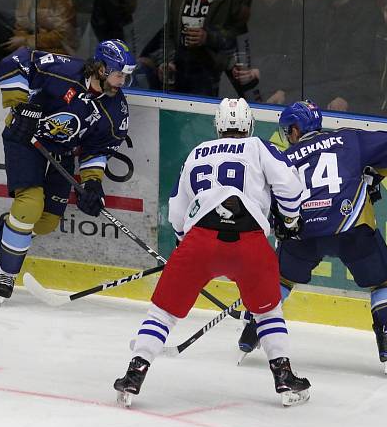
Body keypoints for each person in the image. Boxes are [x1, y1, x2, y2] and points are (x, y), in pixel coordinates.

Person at [114, 98, 311, 408]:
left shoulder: (196, 153)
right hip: (250, 243)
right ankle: (284, 377)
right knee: (267, 312)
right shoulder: (258, 147)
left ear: (218, 125)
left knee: (162, 313)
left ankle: (134, 374)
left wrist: (183, 245)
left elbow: (177, 212)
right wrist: (290, 219)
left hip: (200, 240)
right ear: (249, 125)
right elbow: (290, 187)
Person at [237, 100, 387, 376]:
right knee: (384, 282)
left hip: (303, 234)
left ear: (296, 129)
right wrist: (375, 173)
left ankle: (253, 328)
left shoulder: (285, 157)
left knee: (280, 279)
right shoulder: (349, 139)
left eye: (288, 130)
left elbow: (273, 198)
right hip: (350, 227)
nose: (288, 136)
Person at [0, 39, 135, 303]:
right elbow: (16, 61)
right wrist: (19, 106)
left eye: (125, 76)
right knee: (30, 203)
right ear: (101, 69)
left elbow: (97, 149)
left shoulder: (116, 110)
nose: (122, 82)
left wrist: (92, 184)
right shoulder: (64, 69)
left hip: (62, 153)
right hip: (25, 138)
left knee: (46, 222)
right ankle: (6, 273)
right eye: (118, 75)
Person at [162, 0, 247, 97]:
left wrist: (207, 37)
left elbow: (236, 35)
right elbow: (170, 32)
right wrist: (168, 60)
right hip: (180, 68)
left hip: (210, 69)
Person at [303, 0, 381, 113]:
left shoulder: (366, 12)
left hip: (352, 90)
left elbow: (361, 57)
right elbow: (310, 51)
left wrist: (344, 95)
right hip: (318, 84)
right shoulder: (318, 8)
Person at [91, 0, 165, 90]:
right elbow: (101, 33)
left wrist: (152, 59)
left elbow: (161, 33)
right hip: (113, 66)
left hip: (146, 68)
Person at [232, 0, 302, 106]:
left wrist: (262, 71)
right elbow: (242, 44)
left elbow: (296, 57)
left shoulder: (295, 13)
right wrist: (237, 66)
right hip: (251, 81)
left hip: (281, 86)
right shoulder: (251, 11)